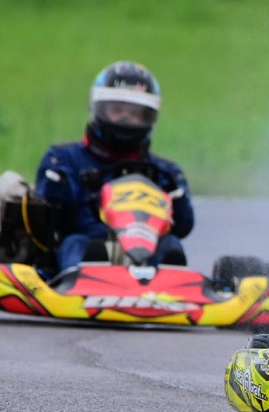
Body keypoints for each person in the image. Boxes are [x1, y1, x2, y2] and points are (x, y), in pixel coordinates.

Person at [35, 60, 194, 271]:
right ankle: (83, 287)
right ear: (98, 109)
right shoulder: (64, 159)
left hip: (147, 254)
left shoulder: (165, 172)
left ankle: (172, 292)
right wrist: (60, 190)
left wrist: (177, 199)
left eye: (135, 113)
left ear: (149, 117)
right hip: (88, 250)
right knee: (75, 244)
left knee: (171, 246)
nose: (126, 119)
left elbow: (183, 227)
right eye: (117, 110)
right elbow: (50, 220)